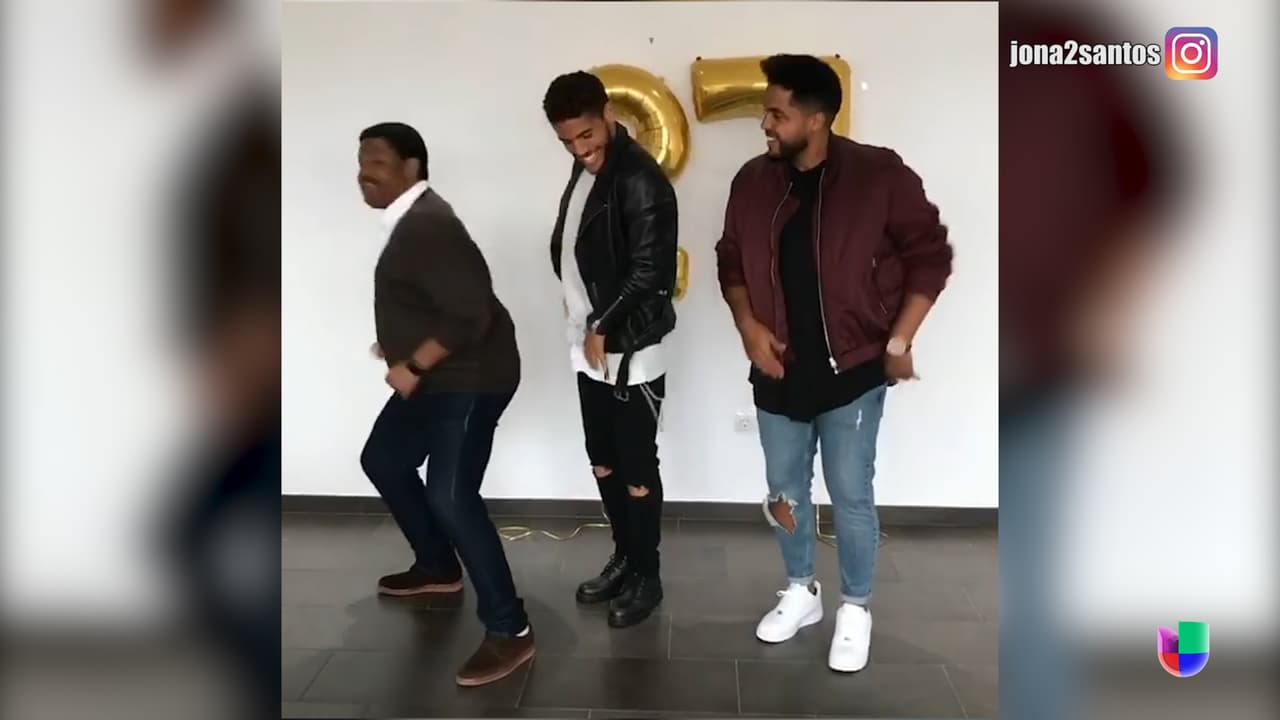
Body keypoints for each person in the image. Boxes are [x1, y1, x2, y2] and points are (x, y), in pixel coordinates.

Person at [714, 55, 953, 672]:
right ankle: (801, 590)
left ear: (816, 119)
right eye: (766, 112)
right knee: (783, 490)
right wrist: (748, 329)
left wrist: (899, 341)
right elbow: (731, 260)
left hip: (854, 370)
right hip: (777, 368)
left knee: (850, 494)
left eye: (777, 114)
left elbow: (930, 257)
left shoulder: (878, 174)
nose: (765, 124)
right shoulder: (752, 181)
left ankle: (855, 606)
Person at [356, 122, 533, 686]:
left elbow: (470, 313)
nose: (364, 173)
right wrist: (399, 345)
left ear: (411, 167)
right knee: (384, 459)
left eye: (377, 162)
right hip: (438, 377)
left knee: (452, 496)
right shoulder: (412, 221)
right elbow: (437, 301)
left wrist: (412, 364)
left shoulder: (429, 225)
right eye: (361, 162)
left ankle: (511, 630)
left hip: (471, 378)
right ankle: (437, 565)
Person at [542, 71, 679, 629]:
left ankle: (648, 573)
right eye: (568, 141)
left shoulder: (641, 178)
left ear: (609, 115)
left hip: (630, 348)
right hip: (590, 342)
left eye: (587, 136)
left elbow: (651, 270)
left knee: (636, 467)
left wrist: (603, 322)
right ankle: (625, 556)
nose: (581, 150)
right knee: (601, 458)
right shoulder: (586, 169)